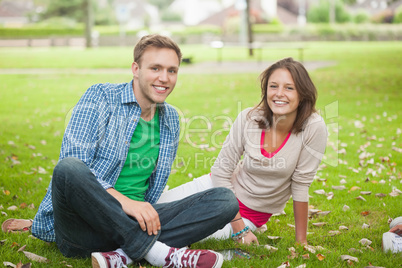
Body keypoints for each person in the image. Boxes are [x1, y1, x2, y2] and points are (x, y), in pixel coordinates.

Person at [30, 34, 238, 268]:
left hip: (136, 222)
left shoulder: (170, 120)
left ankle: (122, 255)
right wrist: (126, 203)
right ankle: (159, 253)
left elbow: (149, 192)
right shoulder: (101, 97)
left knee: (225, 200)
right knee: (69, 168)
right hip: (83, 229)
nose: (164, 78)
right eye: (155, 68)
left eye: (172, 70)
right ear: (136, 69)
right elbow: (73, 165)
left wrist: (138, 209)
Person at [157, 57, 328, 246]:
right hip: (216, 188)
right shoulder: (249, 118)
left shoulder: (314, 127)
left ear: (302, 93)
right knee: (151, 212)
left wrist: (301, 241)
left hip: (251, 212)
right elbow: (221, 172)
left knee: (171, 233)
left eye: (289, 88)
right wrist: (240, 228)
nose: (279, 94)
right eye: (273, 86)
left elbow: (301, 184)